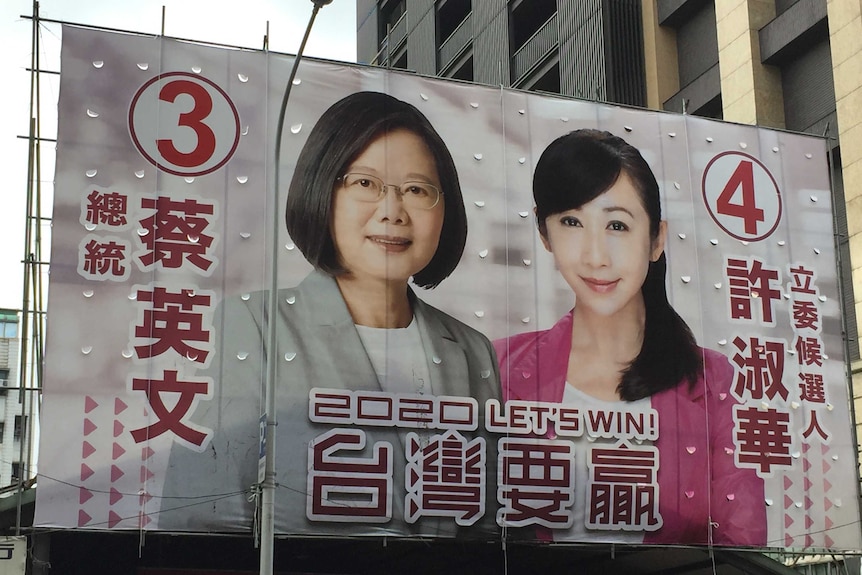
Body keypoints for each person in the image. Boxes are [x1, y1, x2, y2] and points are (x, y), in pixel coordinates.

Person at [161, 92, 500, 536]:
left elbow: (488, 517)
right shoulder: (255, 324)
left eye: (417, 190)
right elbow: (204, 509)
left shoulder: (472, 350)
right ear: (322, 188)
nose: (393, 211)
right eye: (365, 184)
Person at [494, 129, 765, 546]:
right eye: (571, 222)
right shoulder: (501, 367)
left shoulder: (713, 380)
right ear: (545, 234)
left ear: (656, 239)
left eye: (617, 225)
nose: (596, 255)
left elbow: (742, 537)